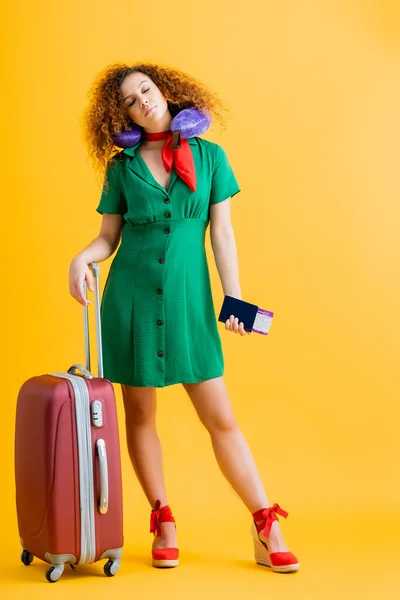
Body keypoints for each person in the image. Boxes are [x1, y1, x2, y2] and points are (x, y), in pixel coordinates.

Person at [69, 62, 299, 573]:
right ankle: (163, 517)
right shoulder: (121, 167)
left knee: (221, 419)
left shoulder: (211, 157)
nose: (142, 101)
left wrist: (233, 299)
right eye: (129, 99)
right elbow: (109, 238)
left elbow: (221, 234)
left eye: (146, 90)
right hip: (130, 300)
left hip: (188, 302)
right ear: (121, 112)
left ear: (166, 91)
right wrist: (81, 258)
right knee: (141, 416)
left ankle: (266, 524)